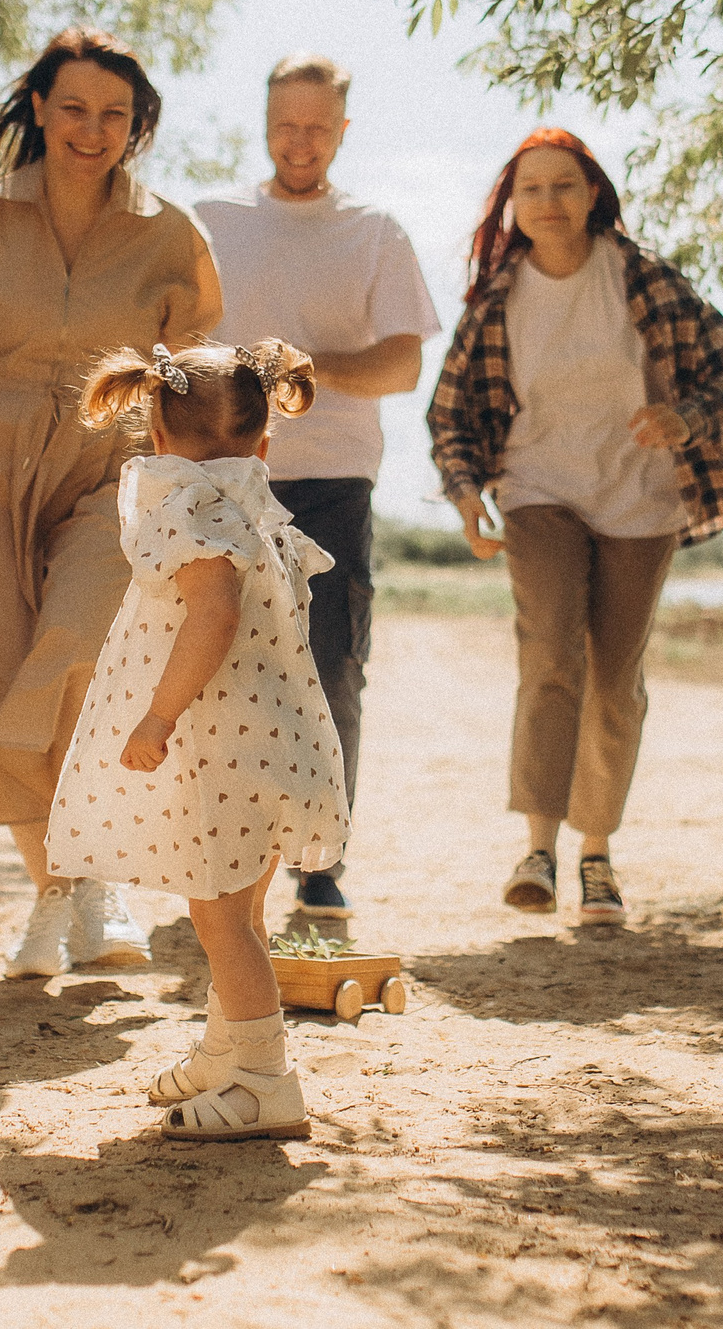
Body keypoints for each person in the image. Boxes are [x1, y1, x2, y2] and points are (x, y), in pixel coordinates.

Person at [0, 26, 223, 979]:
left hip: (117, 460)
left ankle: (85, 884)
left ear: (136, 127)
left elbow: (188, 375)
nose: (91, 129)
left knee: (72, 655)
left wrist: (211, 486)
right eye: (73, 108)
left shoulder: (173, 235)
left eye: (115, 115)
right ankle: (63, 892)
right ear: (38, 107)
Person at [426, 128, 723, 925]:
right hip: (539, 488)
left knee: (614, 680)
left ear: (593, 194)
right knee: (550, 652)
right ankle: (538, 846)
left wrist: (685, 419)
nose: (548, 202)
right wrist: (467, 490)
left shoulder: (641, 281)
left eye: (563, 185)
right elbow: (451, 412)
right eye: (530, 188)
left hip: (640, 501)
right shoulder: (499, 299)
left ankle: (597, 855)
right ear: (513, 203)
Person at [46, 340, 348, 1141]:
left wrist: (157, 716)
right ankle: (226, 1049)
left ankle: (264, 1081)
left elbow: (211, 610)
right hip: (272, 737)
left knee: (219, 918)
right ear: (263, 444)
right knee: (238, 911)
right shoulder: (256, 502)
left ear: (156, 431)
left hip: (217, 741)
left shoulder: (181, 501)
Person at [195, 55, 439, 920]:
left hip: (335, 479)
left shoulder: (376, 231)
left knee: (332, 669)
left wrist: (306, 368)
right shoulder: (210, 222)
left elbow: (403, 363)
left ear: (343, 129)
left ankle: (322, 860)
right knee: (217, 668)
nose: (300, 142)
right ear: (264, 123)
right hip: (224, 476)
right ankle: (225, 851)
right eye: (285, 125)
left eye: (318, 126)